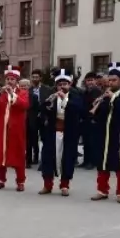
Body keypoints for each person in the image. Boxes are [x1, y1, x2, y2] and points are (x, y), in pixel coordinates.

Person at [38, 68, 86, 196]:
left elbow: (79, 110)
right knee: (48, 158)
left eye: (65, 84)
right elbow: (43, 109)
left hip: (69, 133)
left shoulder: (76, 95)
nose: (62, 86)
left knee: (67, 159)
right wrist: (48, 106)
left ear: (70, 84)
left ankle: (64, 185)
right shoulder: (51, 94)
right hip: (52, 132)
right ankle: (47, 185)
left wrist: (65, 99)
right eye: (60, 84)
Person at [89, 64, 120, 203]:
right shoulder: (105, 95)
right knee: (102, 163)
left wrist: (113, 98)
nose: (111, 83)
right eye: (110, 80)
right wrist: (98, 104)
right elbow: (99, 115)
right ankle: (102, 190)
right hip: (103, 134)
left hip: (119, 135)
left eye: (114, 80)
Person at [0, 66, 29, 191]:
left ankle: (20, 181)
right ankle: (0, 180)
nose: (9, 81)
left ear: (16, 81)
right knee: (0, 155)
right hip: (1, 130)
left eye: (12, 79)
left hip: (16, 130)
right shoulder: (0, 93)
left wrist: (12, 94)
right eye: (8, 79)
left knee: (18, 155)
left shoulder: (22, 93)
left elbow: (24, 105)